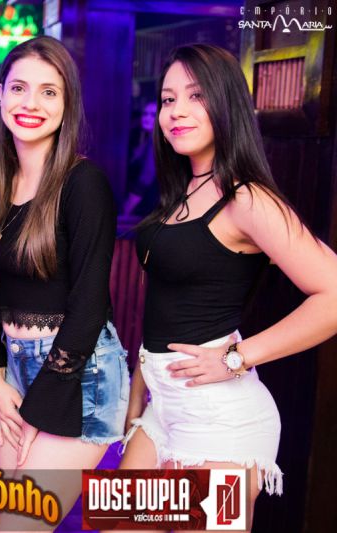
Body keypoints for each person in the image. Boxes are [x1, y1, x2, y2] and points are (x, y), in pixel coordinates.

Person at [117, 44, 337, 530]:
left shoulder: (247, 197)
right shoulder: (183, 189)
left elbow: (334, 296)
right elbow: (167, 303)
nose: (177, 111)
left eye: (195, 96)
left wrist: (237, 357)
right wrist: (139, 388)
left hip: (221, 420)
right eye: (168, 99)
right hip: (161, 409)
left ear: (226, 102)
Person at [0, 36, 129, 529]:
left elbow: (89, 303)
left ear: (67, 105)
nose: (31, 103)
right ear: (0, 94)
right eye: (19, 88)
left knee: (16, 525)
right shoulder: (3, 184)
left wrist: (38, 407)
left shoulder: (83, 183)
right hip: (18, 372)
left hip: (76, 374)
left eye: (49, 92)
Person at [122, 101, 159, 217]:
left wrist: (129, 206)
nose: (147, 118)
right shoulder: (146, 139)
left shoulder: (156, 141)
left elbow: (147, 176)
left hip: (147, 202)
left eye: (153, 115)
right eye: (145, 114)